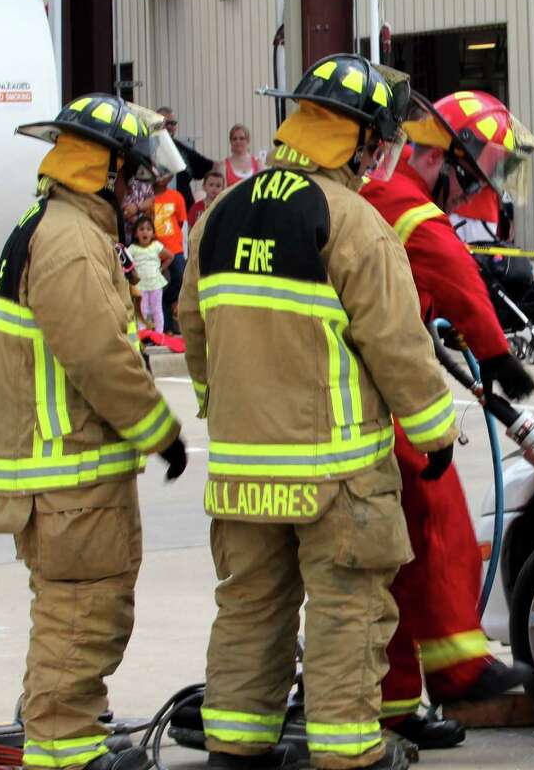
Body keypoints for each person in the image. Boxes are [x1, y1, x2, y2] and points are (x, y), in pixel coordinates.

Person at [181, 54, 455, 770]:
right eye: (379, 139)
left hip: (243, 475)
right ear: (360, 140)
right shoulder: (354, 223)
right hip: (336, 477)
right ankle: (349, 755)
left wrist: (226, 410)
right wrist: (436, 433)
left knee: (249, 613)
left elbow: (195, 331)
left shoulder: (217, 216)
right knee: (346, 613)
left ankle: (234, 752)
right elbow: (399, 347)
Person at [0, 94, 187, 770]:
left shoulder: (62, 225)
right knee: (80, 616)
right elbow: (99, 356)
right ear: (102, 171)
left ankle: (60, 725)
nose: (143, 192)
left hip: (67, 471)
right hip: (68, 472)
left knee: (79, 614)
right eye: (134, 177)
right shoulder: (70, 241)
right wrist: (160, 430)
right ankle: (65, 749)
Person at [361, 86, 534, 751]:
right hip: (388, 400)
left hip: (372, 391)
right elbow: (458, 277)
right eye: (483, 163)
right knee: (441, 533)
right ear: (449, 157)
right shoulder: (409, 208)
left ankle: (396, 706)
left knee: (397, 559)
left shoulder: (382, 197)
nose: (483, 183)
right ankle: (462, 671)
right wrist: (498, 357)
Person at [156, 106, 213, 209]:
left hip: (184, 211)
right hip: (157, 210)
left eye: (173, 123)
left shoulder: (183, 150)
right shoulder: (147, 148)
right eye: (166, 123)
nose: (169, 126)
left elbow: (209, 166)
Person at [152, 174, 187, 334]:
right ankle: (166, 328)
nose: (160, 177)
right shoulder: (148, 198)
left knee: (179, 277)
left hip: (175, 247)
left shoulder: (176, 196)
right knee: (158, 286)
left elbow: (180, 222)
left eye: (164, 173)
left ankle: (171, 300)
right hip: (154, 249)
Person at [127, 215, 172, 332]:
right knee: (142, 310)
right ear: (136, 234)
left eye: (148, 229)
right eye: (141, 229)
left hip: (155, 284)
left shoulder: (156, 246)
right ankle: (143, 334)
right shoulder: (132, 249)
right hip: (140, 285)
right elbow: (127, 264)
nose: (145, 232)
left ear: (153, 233)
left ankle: (159, 334)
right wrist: (132, 274)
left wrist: (161, 269)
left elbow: (170, 256)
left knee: (157, 309)